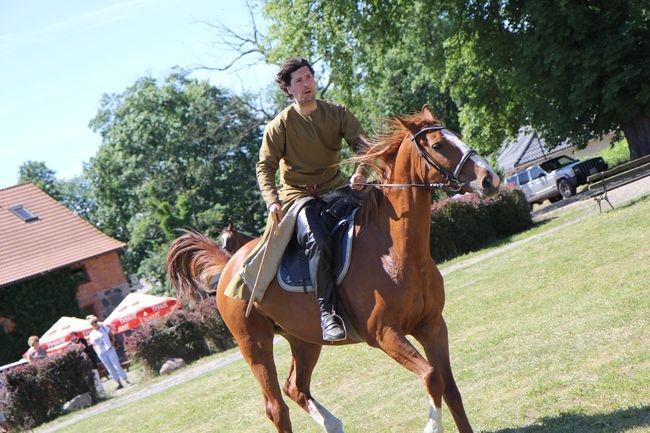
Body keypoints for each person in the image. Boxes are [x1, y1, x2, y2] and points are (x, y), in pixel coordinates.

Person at [256, 57, 367, 341]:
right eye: (299, 81)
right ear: (288, 89)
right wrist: (272, 201)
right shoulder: (278, 126)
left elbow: (363, 145)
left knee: (381, 207)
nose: (307, 84)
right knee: (317, 239)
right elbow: (265, 167)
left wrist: (361, 171)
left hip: (338, 188)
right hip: (299, 197)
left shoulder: (338, 113)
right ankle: (328, 314)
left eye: (309, 77)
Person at [86, 315, 129, 389]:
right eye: (92, 323)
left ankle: (125, 379)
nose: (94, 324)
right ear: (91, 325)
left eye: (95, 322)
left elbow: (111, 335)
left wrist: (112, 343)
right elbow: (93, 344)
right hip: (101, 353)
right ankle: (119, 383)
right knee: (109, 368)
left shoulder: (103, 327)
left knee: (116, 365)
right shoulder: (91, 334)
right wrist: (97, 351)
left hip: (109, 349)